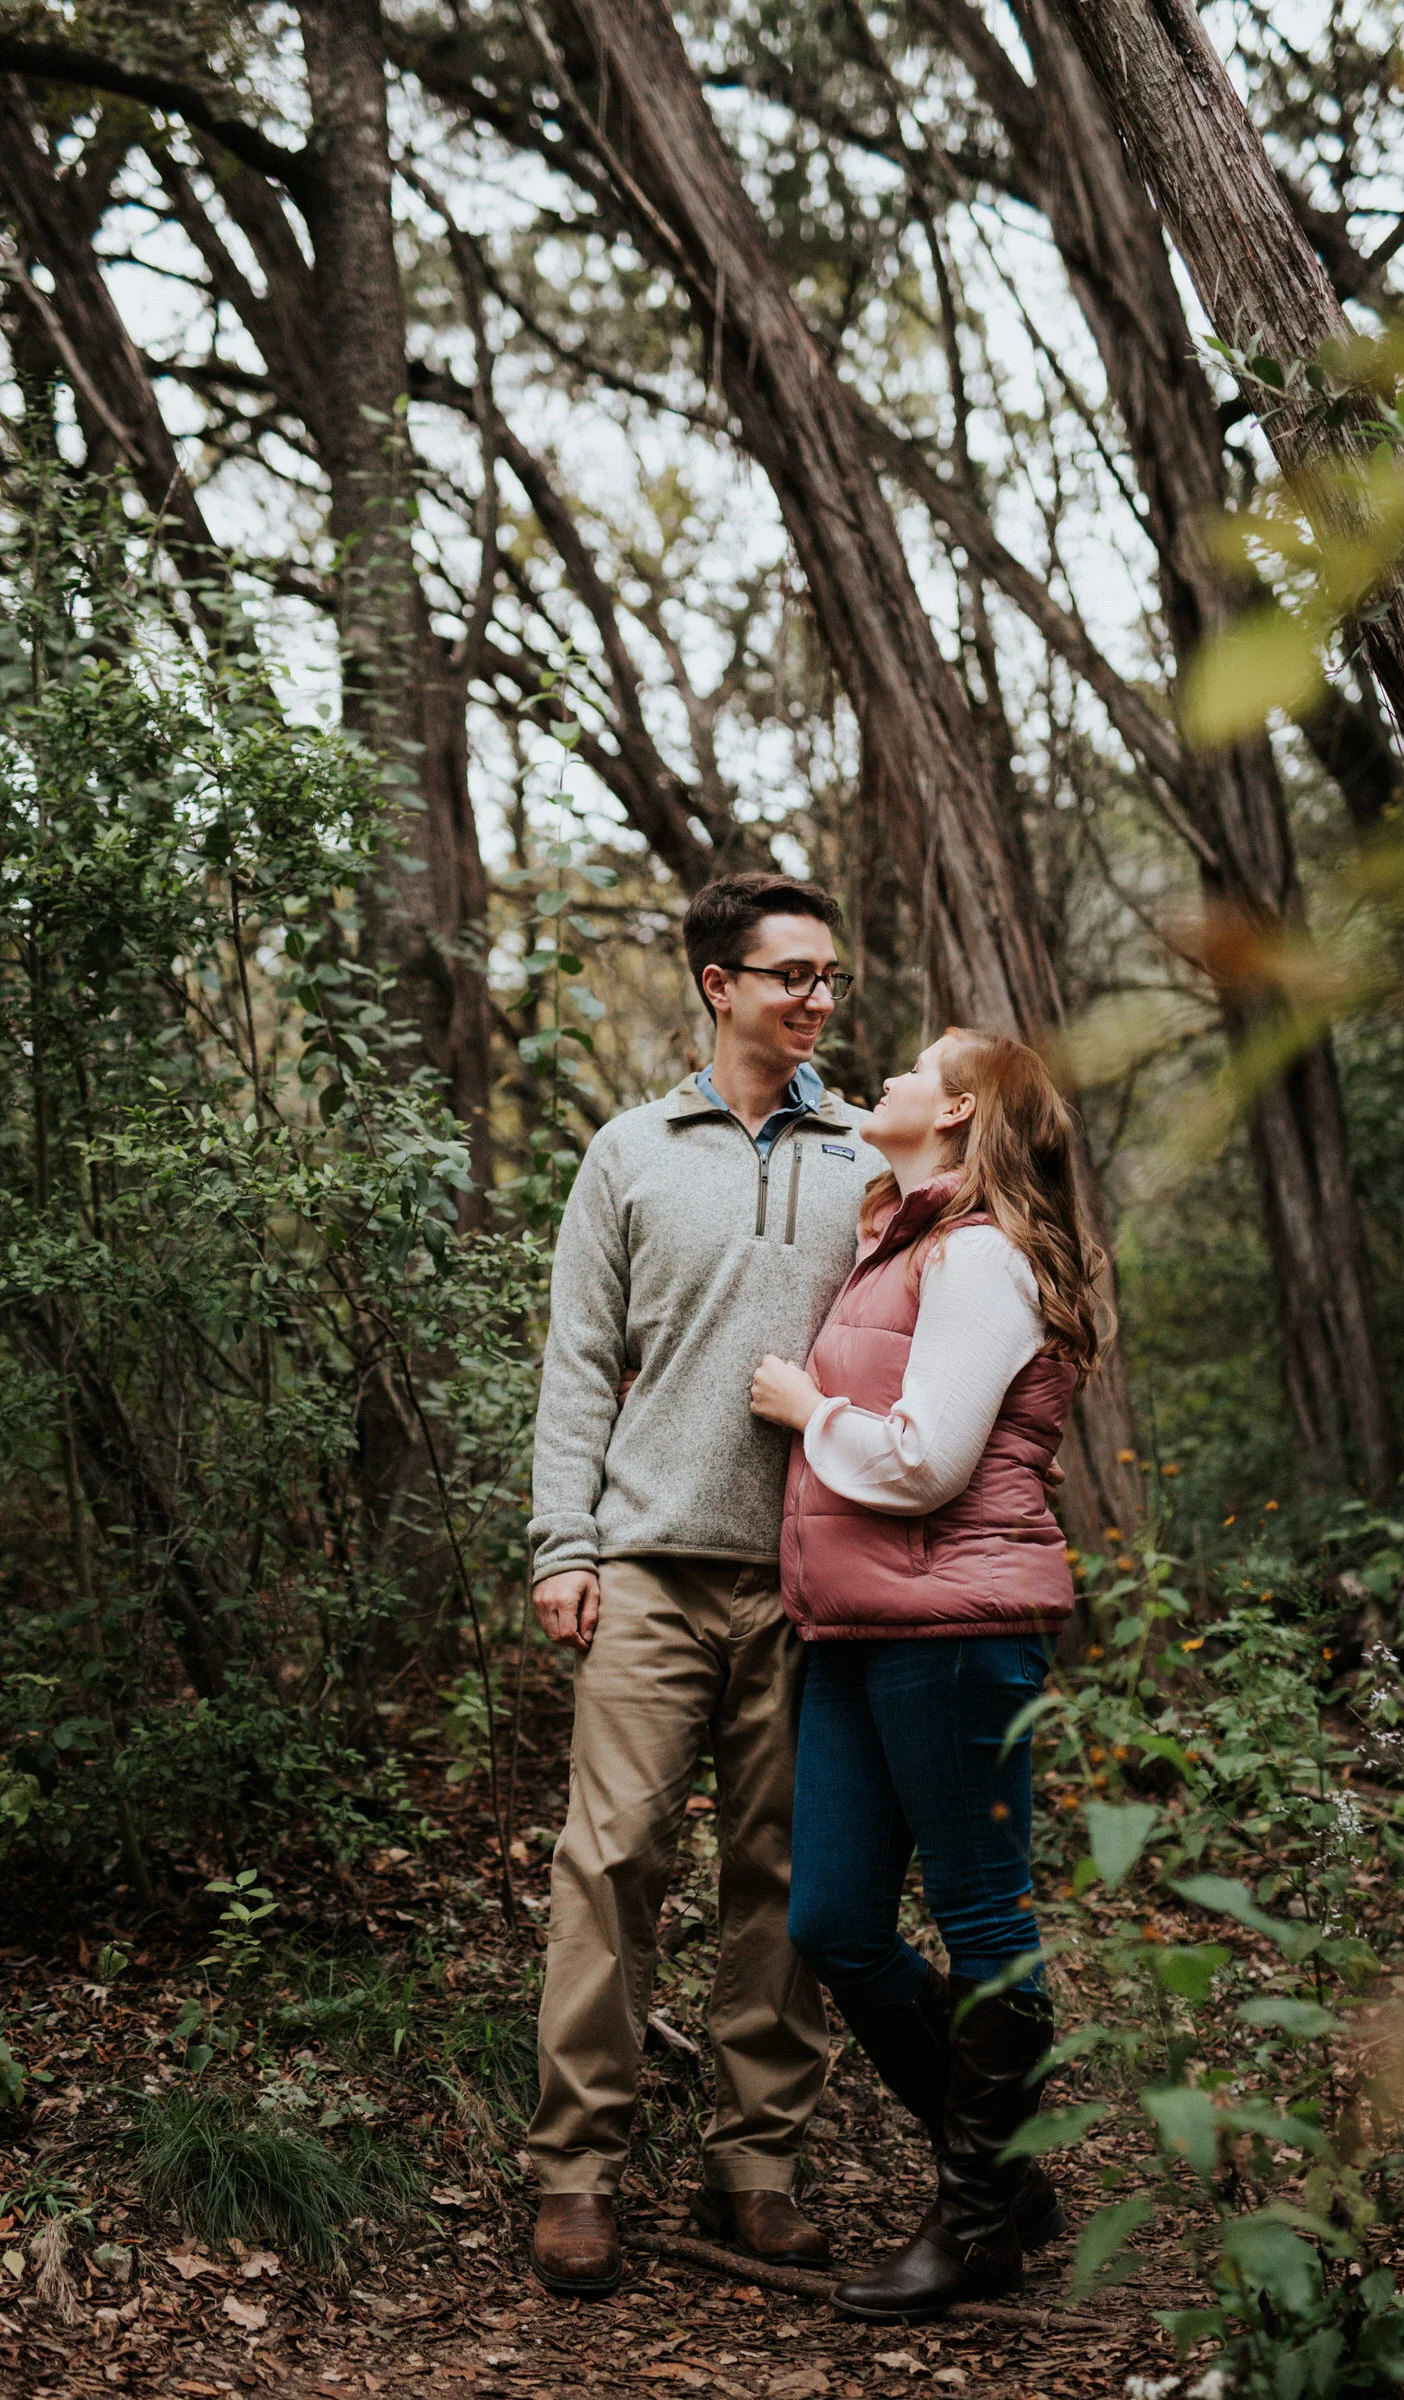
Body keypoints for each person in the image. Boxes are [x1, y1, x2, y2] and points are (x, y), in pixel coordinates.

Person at [525, 869, 878, 2298]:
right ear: (719, 984)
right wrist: (565, 1545)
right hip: (650, 1567)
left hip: (813, 1578)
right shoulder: (628, 1151)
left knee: (783, 1880)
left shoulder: (870, 1154)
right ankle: (576, 2172)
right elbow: (574, 1366)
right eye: (791, 973)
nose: (818, 998)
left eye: (830, 977)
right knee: (608, 1864)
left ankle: (758, 2167)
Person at [749, 1028, 1101, 2322]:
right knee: (833, 1919)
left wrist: (806, 1412)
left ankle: (973, 2227)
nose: (883, 1078)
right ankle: (1006, 2173)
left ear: (955, 1113)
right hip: (861, 1629)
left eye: (911, 1067)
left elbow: (928, 1461)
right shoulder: (902, 1243)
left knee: (983, 1916)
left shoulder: (980, 1258)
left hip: (957, 1632)